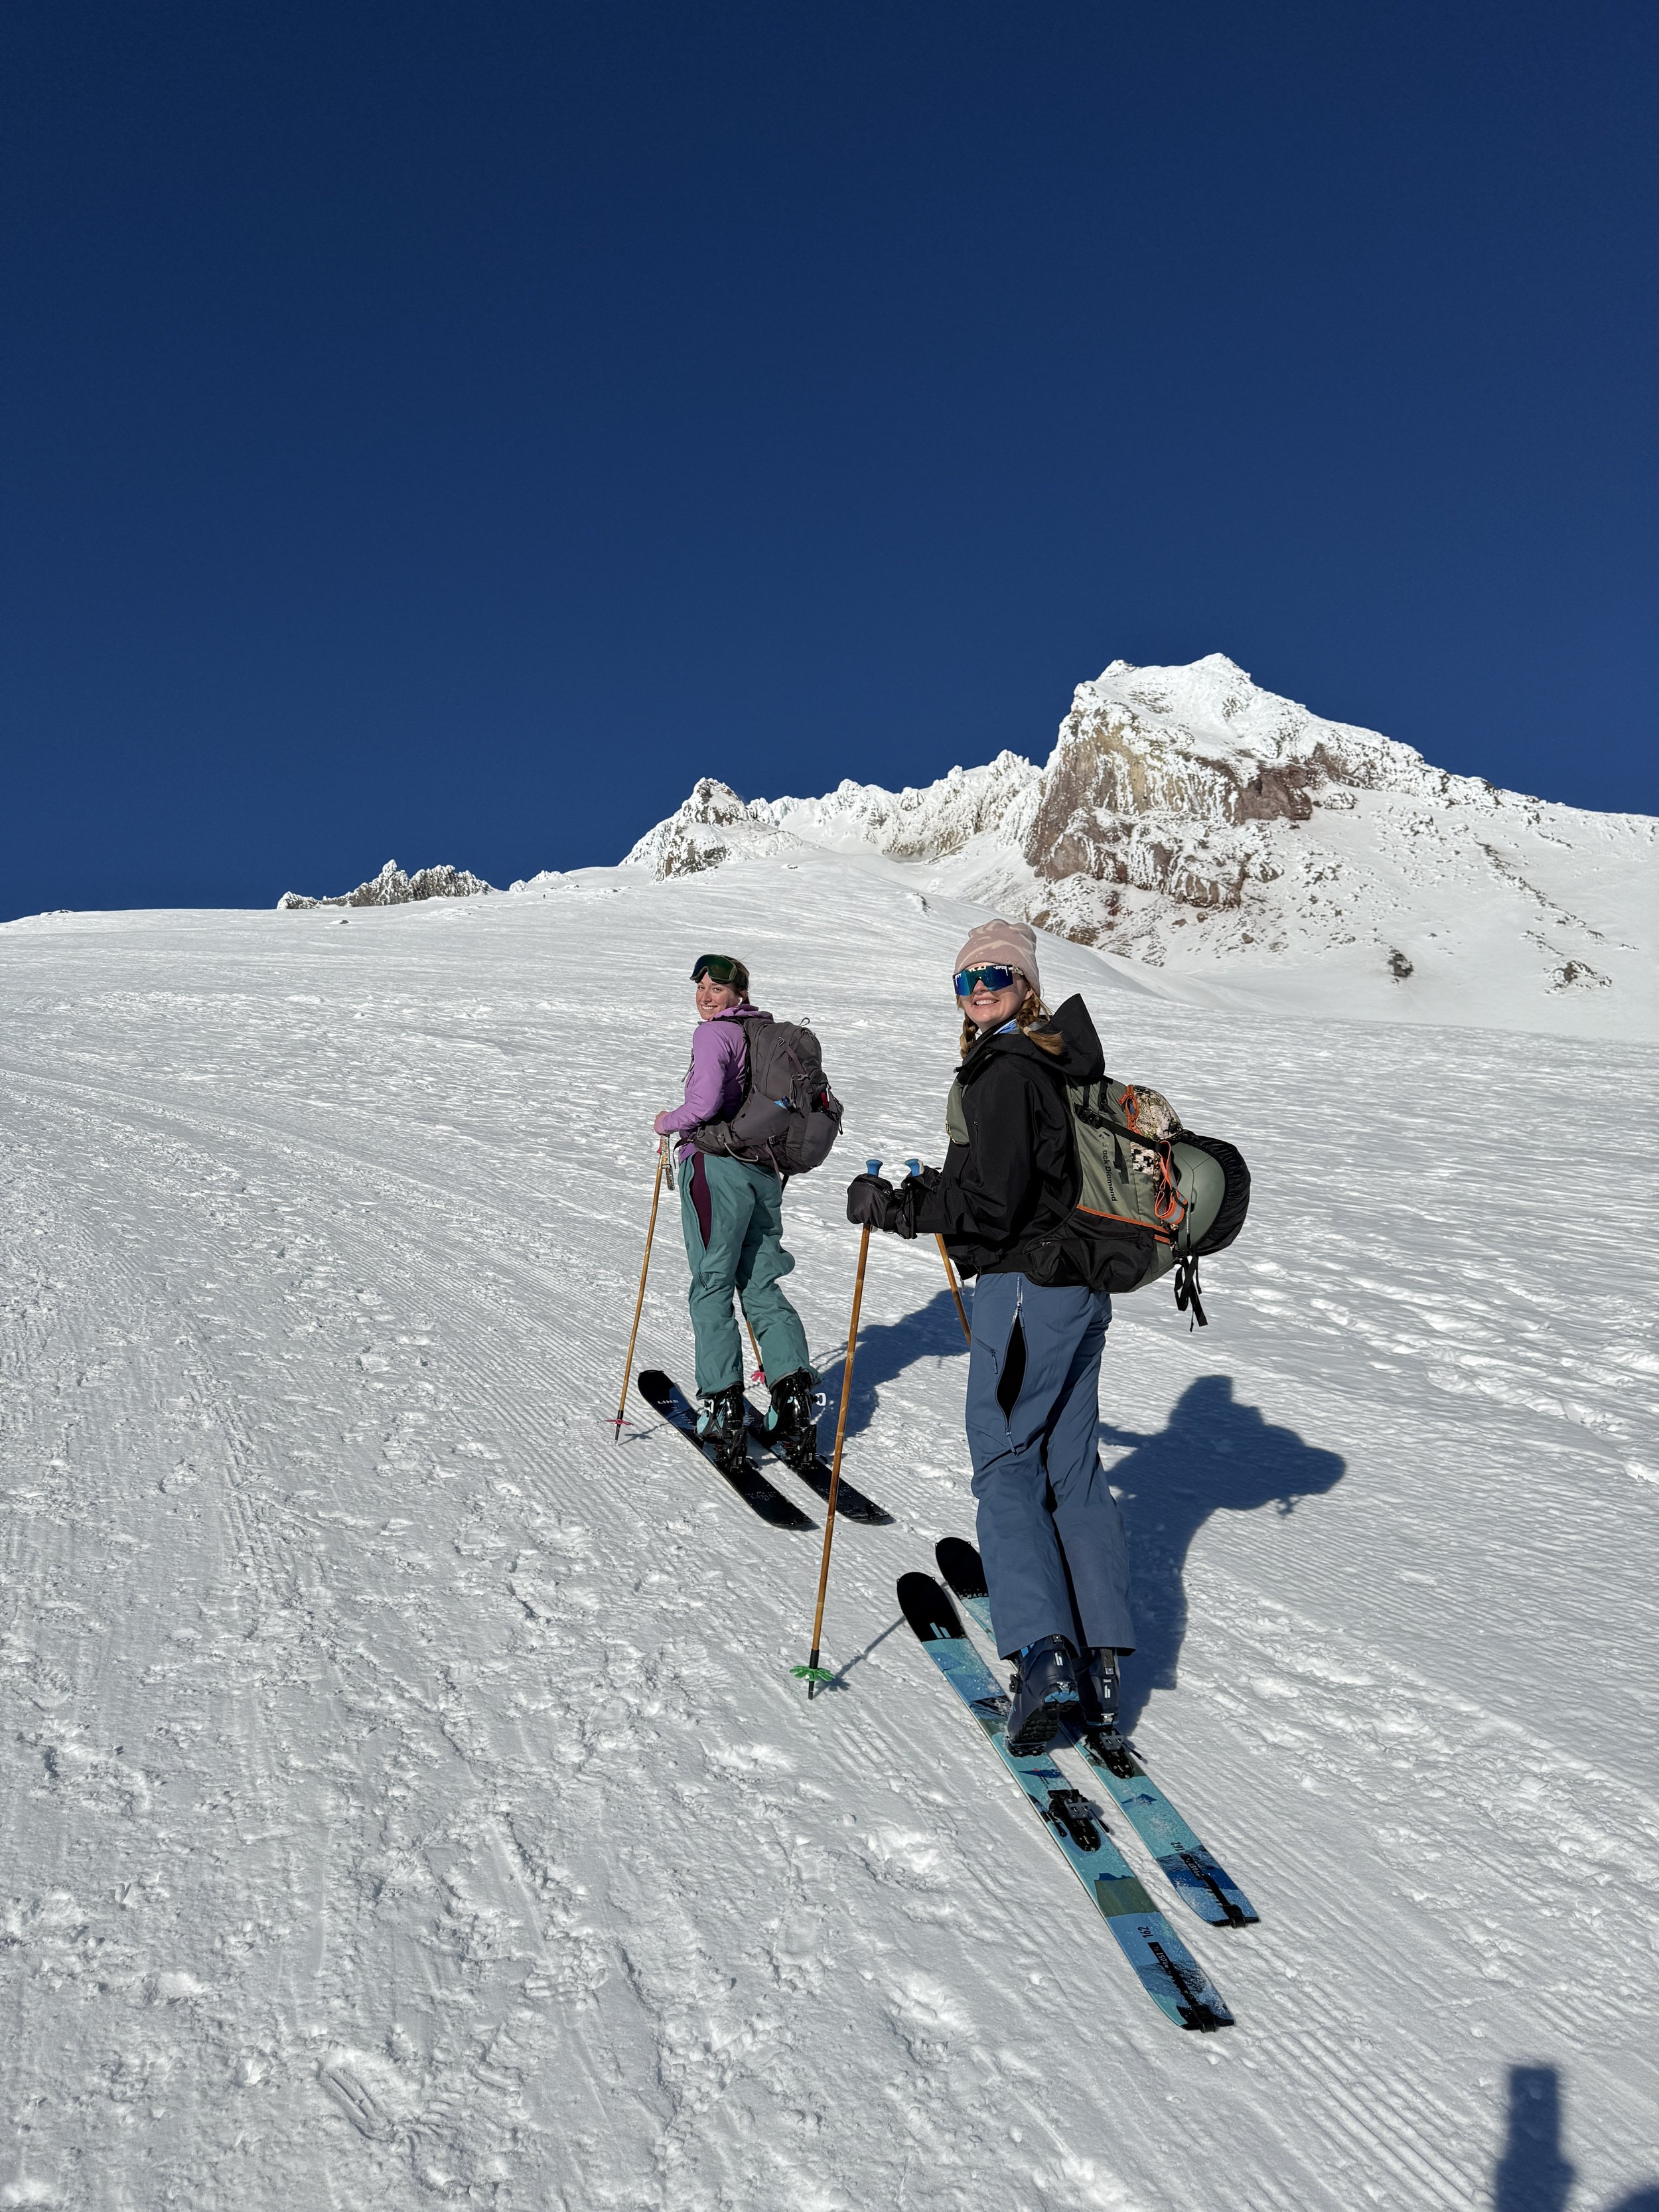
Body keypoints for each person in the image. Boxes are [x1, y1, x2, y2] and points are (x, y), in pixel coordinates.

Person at [845, 920, 1133, 1755]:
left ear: (1028, 983)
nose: (978, 992)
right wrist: (934, 1187)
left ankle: (1044, 1655)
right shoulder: (1054, 1059)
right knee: (1070, 1467)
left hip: (1024, 1288)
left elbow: (997, 1206)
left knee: (1006, 1459)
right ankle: (1103, 1656)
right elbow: (1019, 1178)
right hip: (1080, 1288)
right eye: (965, 981)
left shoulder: (1005, 1070)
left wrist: (900, 1209)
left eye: (996, 976)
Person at [654, 952, 818, 1476]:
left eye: (717, 987)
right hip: (764, 1172)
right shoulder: (765, 1035)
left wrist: (666, 1121)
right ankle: (791, 1409)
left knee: (711, 1282)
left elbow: (702, 1106)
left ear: (738, 993)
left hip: (716, 1169)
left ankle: (723, 1411)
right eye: (700, 986)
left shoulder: (713, 1036)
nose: (706, 995)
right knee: (762, 1283)